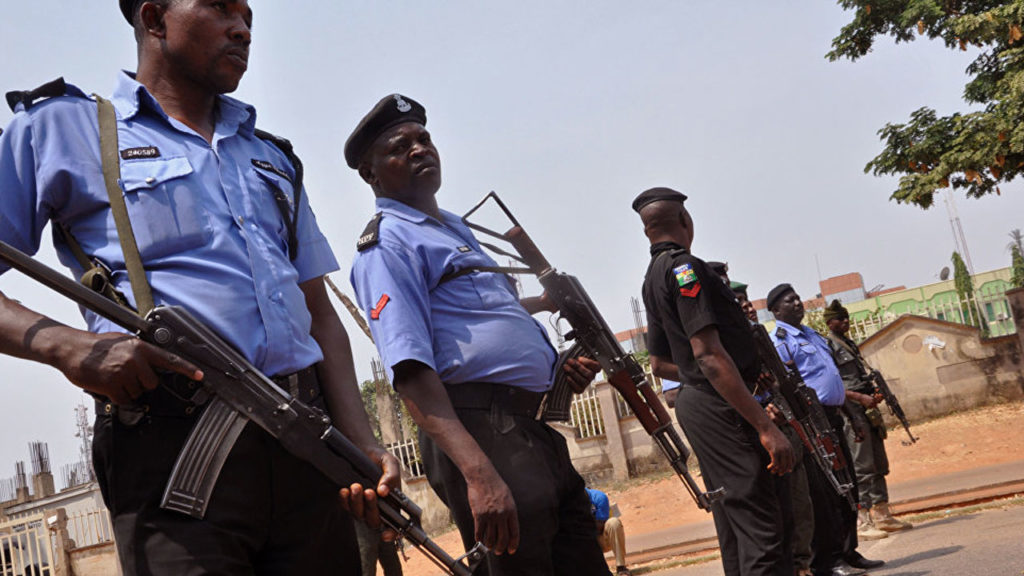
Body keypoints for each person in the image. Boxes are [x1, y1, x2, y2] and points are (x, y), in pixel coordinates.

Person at [0, 1, 399, 574]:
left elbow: (320, 315)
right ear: (155, 18)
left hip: (306, 443)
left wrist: (359, 441)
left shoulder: (271, 156)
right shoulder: (65, 129)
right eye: (219, 7)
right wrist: (62, 345)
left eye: (248, 14)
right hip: (172, 449)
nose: (242, 27)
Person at [346, 94, 611, 576]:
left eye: (424, 139)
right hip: (480, 433)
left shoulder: (454, 228)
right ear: (371, 173)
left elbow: (483, 321)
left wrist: (555, 373)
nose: (419, 149)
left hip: (531, 431)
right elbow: (411, 374)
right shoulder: (387, 245)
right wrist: (480, 474)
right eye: (399, 147)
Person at [635, 187, 794, 576]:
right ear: (685, 221)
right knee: (763, 531)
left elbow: (660, 363)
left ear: (646, 231)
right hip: (720, 405)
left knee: (736, 526)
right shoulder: (686, 268)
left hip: (702, 400)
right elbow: (707, 354)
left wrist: (713, 380)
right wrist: (764, 423)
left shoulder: (652, 277)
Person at [767, 285, 883, 576]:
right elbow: (782, 388)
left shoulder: (813, 335)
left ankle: (848, 551)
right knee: (824, 492)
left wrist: (852, 416)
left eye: (797, 298)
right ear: (776, 311)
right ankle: (828, 562)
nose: (796, 303)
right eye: (788, 301)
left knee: (848, 486)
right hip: (810, 422)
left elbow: (832, 381)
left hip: (834, 416)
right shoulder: (780, 341)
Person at [823, 300, 912, 536]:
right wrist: (859, 398)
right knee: (861, 465)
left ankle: (883, 514)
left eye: (846, 318)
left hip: (867, 409)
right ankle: (863, 520)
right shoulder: (828, 346)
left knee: (878, 462)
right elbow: (833, 385)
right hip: (851, 411)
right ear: (829, 322)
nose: (845, 322)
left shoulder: (849, 344)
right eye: (840, 319)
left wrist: (873, 394)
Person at [587, 488, 631, 576]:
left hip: (602, 539)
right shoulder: (567, 503)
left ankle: (621, 567)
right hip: (580, 542)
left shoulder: (598, 497)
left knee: (614, 522)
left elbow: (600, 525)